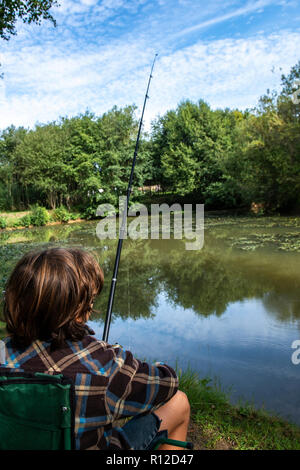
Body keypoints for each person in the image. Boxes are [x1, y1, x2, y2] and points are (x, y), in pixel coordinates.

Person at [0, 247, 190, 450]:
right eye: (90, 300)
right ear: (80, 311)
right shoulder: (104, 364)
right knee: (179, 402)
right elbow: (167, 384)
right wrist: (117, 356)